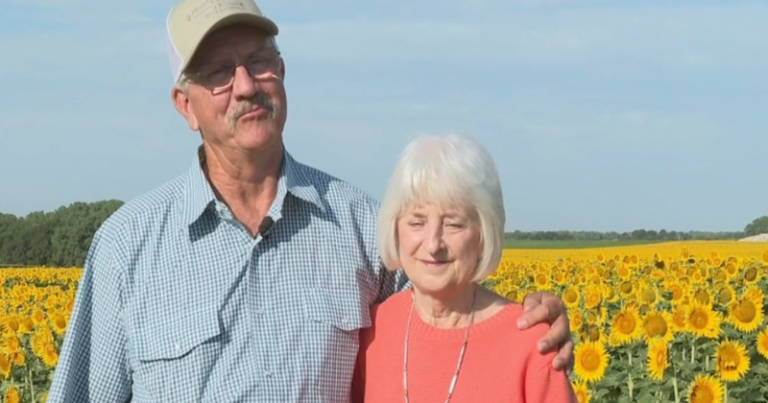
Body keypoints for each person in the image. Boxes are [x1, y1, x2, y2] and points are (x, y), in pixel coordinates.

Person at [46, 0, 573, 401]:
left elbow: (447, 312)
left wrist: (529, 323)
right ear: (185, 105)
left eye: (260, 62)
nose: (247, 85)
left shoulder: (361, 226)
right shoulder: (126, 247)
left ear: (283, 72)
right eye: (219, 73)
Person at [352, 134, 577, 403]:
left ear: (484, 233)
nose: (433, 244)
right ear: (396, 228)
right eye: (416, 222)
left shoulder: (532, 344)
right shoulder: (371, 330)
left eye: (454, 224)